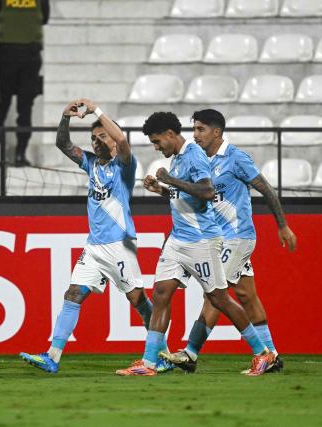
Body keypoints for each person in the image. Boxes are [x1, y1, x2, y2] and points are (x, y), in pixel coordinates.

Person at [116, 112, 275, 377]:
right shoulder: (178, 158)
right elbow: (187, 195)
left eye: (157, 142)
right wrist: (162, 189)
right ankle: (148, 362)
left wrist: (170, 180)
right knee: (161, 294)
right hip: (178, 240)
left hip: (203, 240)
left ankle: (263, 354)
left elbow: (207, 192)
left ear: (170, 134)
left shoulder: (194, 155)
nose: (157, 147)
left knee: (219, 298)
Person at [19, 99, 172, 373]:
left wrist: (96, 109)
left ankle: (163, 353)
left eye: (102, 136)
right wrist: (65, 117)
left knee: (137, 299)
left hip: (120, 245)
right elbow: (63, 145)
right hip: (94, 246)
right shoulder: (90, 164)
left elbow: (123, 141)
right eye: (93, 137)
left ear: (112, 141)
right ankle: (53, 356)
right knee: (73, 293)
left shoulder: (124, 166)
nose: (97, 141)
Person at [160, 109, 297, 373]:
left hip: (237, 237)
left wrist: (282, 225)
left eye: (200, 129)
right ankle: (272, 354)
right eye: (194, 129)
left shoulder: (235, 158)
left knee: (215, 295)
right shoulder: (199, 160)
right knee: (246, 295)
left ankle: (190, 353)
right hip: (217, 238)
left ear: (217, 132)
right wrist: (164, 190)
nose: (195, 135)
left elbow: (265, 188)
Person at [0, 0, 50, 167]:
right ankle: (20, 155)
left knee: (0, 105)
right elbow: (45, 18)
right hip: (31, 55)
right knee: (25, 108)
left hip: (6, 54)